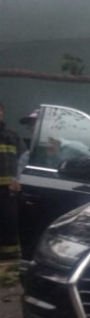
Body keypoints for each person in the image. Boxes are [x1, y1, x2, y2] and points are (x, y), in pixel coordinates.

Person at [0, 102, 25, 261]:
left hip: (8, 189)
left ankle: (9, 261)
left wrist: (18, 180)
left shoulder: (12, 134)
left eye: (0, 110)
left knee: (9, 222)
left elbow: (23, 159)